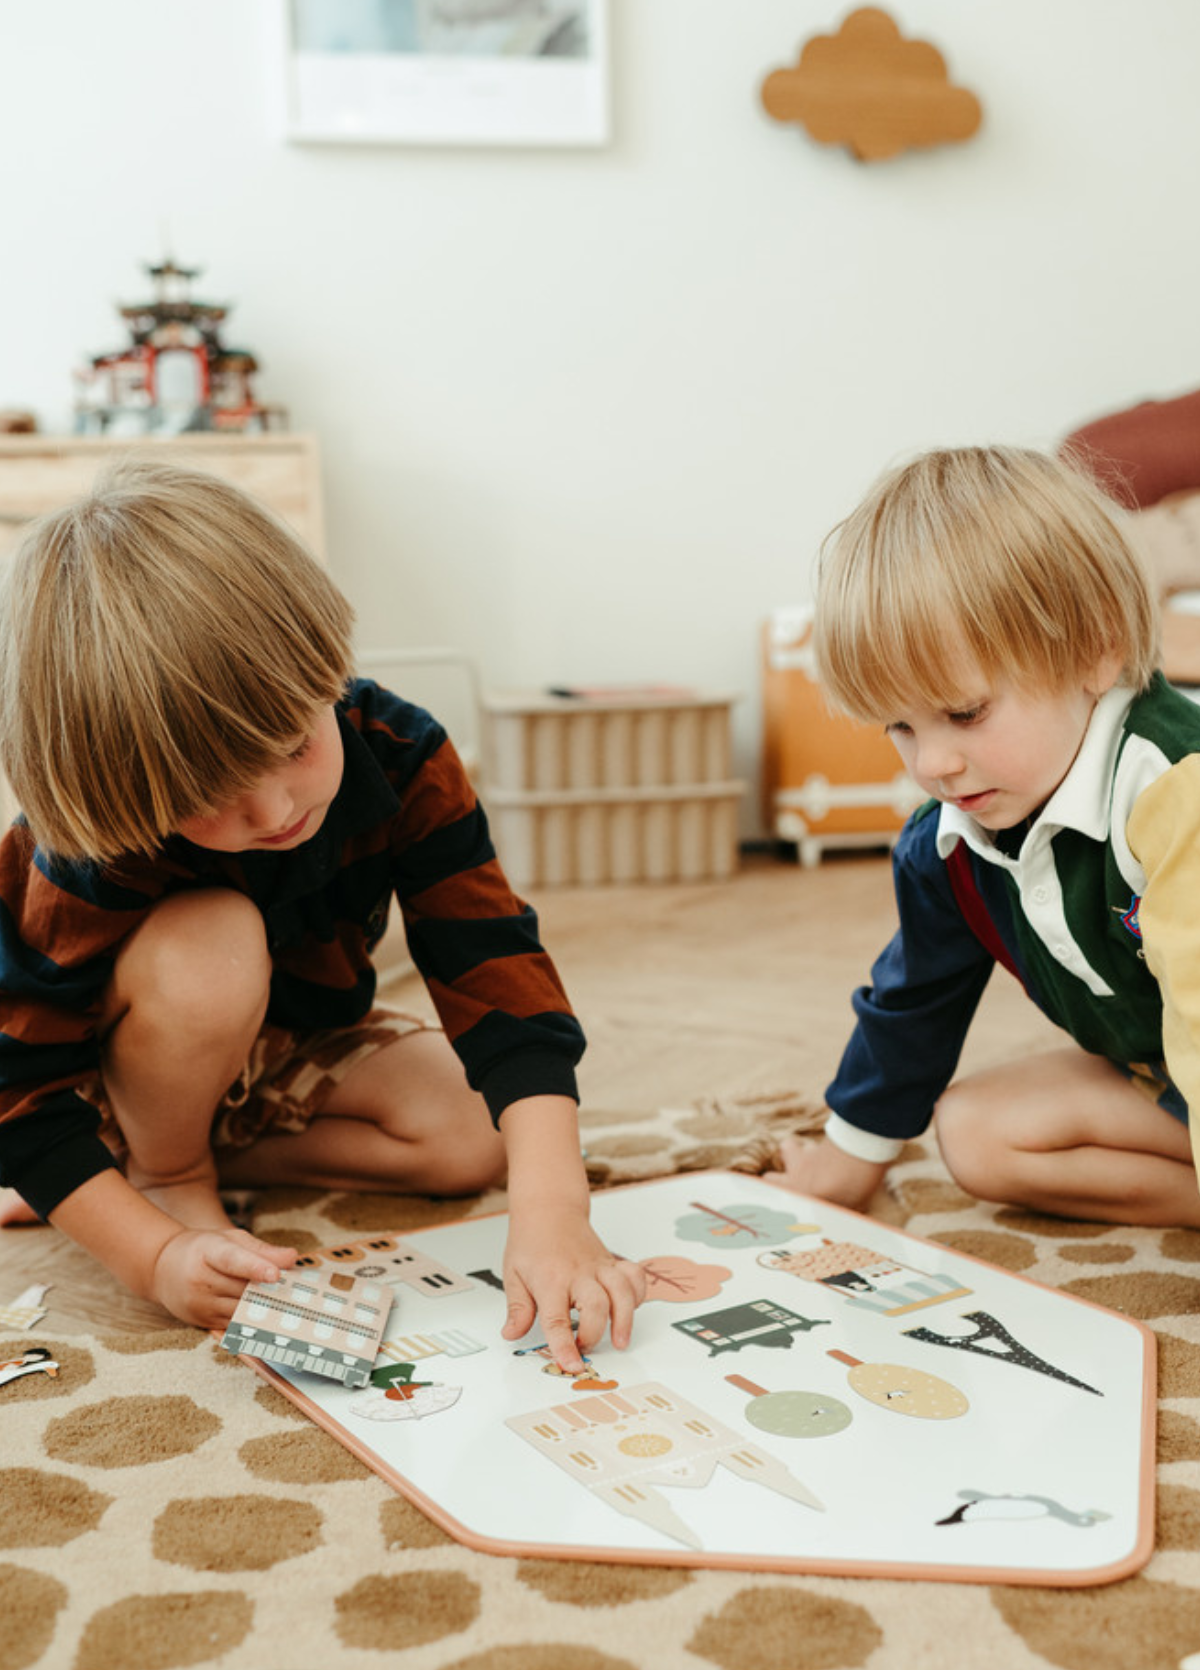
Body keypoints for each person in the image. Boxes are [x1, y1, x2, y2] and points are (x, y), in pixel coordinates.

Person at [0, 461, 644, 1369]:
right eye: (211, 798)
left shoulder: (403, 750)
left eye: (295, 746)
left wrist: (555, 1211)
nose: (272, 813)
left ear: (325, 670)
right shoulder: (98, 830)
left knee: (475, 1134)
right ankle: (164, 1167)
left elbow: (491, 961)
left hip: (282, 1044)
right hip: (127, 1055)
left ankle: (152, 1160)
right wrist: (151, 1250)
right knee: (212, 945)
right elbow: (18, 1085)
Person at [771, 444, 1200, 1228]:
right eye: (900, 725)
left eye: (965, 713)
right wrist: (845, 1162)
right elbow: (915, 1002)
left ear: (1095, 649)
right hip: (1161, 1077)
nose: (933, 763)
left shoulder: (1176, 791)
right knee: (974, 1135)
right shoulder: (949, 840)